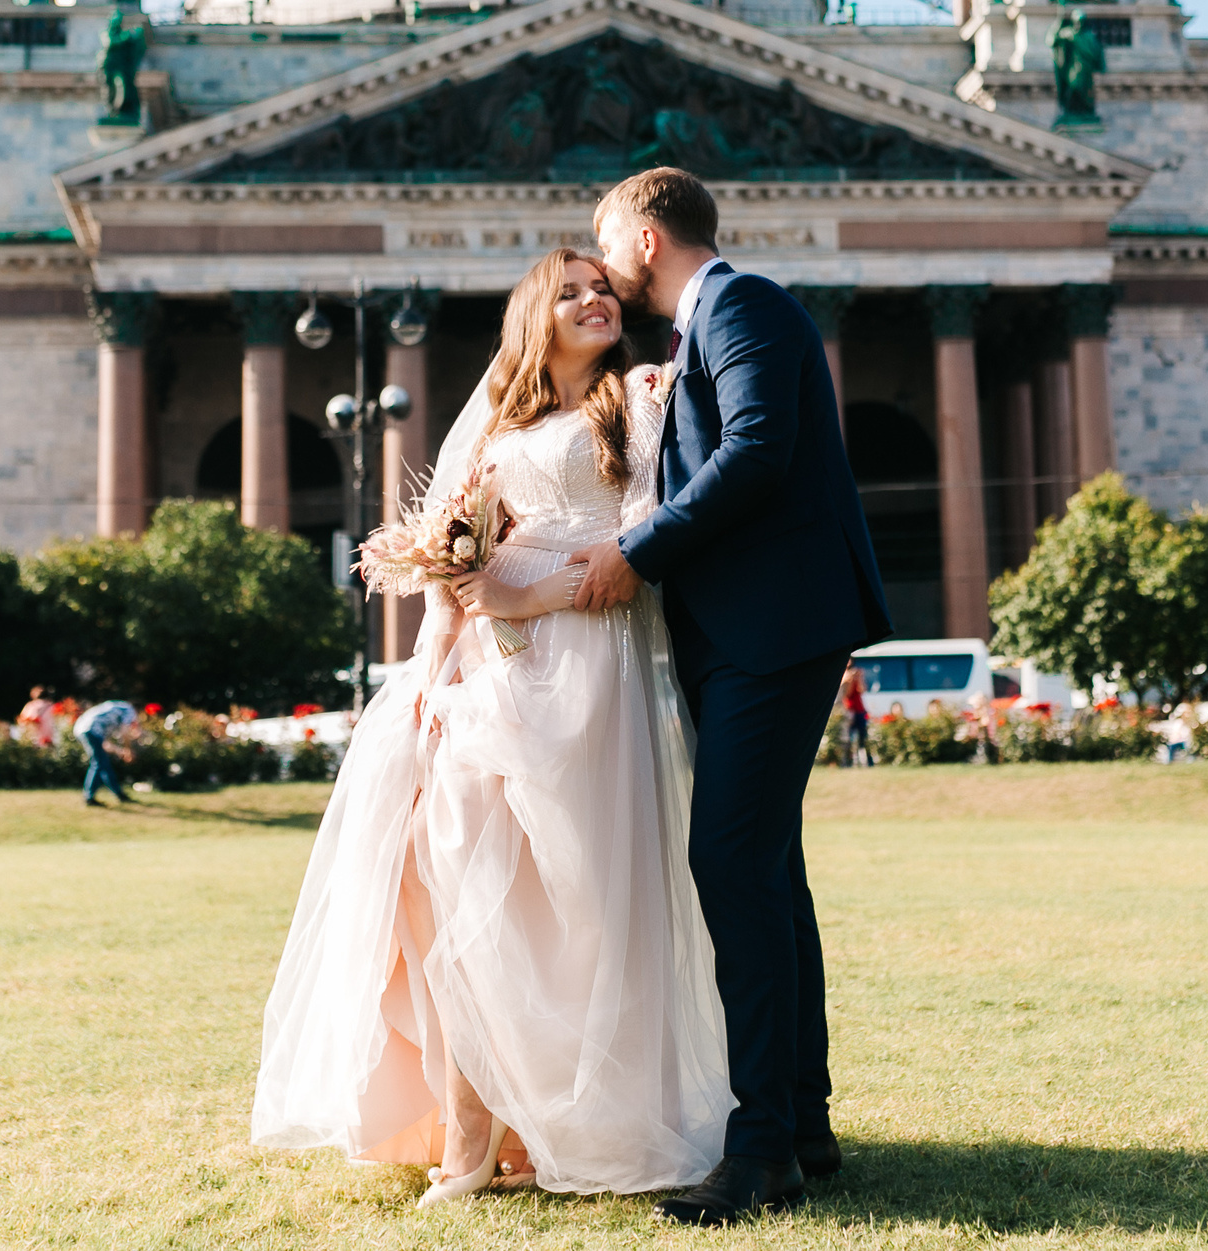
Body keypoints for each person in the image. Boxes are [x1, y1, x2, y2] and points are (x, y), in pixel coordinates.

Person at [252, 247, 726, 1206]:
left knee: (576, 906)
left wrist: (518, 592)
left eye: (605, 289)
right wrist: (431, 667)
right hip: (480, 683)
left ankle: (562, 1115)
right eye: (572, 291)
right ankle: (470, 1128)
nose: (597, 301)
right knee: (448, 879)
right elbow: (453, 572)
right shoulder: (500, 427)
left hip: (588, 674)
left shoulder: (638, 395)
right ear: (533, 316)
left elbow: (636, 536)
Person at [573, 168, 893, 1226]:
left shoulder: (742, 303)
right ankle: (800, 1119)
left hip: (773, 629)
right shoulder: (703, 330)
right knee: (767, 870)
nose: (604, 265)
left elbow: (757, 449)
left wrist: (641, 551)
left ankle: (760, 1149)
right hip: (748, 632)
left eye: (605, 241)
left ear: (645, 235)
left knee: (731, 863)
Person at [72, 698, 139, 806]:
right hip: (90, 729)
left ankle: (119, 794)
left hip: (82, 728)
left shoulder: (113, 710)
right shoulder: (129, 709)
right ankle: (89, 797)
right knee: (99, 763)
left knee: (102, 763)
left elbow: (104, 744)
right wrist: (128, 750)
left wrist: (120, 752)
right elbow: (125, 732)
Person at [838, 663, 873, 768]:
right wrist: (850, 680)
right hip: (850, 711)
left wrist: (859, 678)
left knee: (863, 737)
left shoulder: (858, 678)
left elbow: (862, 690)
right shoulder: (844, 678)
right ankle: (846, 762)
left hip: (860, 711)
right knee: (847, 738)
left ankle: (866, 761)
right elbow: (846, 694)